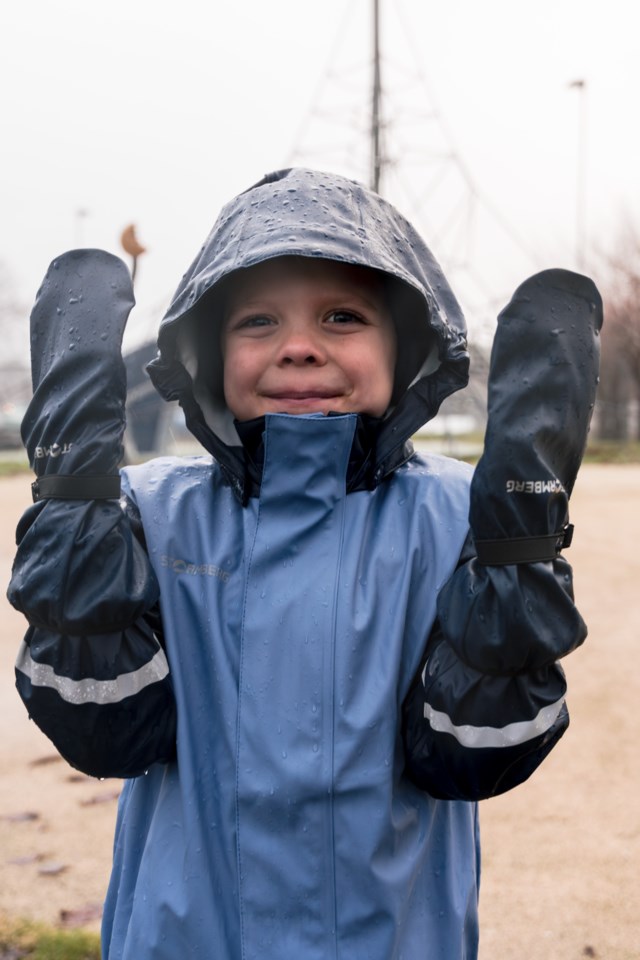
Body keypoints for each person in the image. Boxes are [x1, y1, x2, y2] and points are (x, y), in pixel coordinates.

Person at [7, 167, 602, 959]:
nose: (297, 347)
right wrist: (74, 515)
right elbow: (104, 736)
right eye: (256, 321)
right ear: (205, 352)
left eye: (342, 316)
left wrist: (518, 563)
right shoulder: (140, 513)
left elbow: (477, 756)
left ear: (407, 347)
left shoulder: (466, 521)